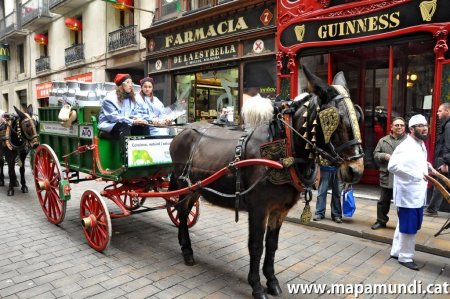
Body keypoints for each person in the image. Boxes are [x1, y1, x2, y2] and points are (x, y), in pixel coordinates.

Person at [388, 114, 435, 271]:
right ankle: (406, 257)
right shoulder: (406, 146)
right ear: (411, 129)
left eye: (426, 125)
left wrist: (428, 167)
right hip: (408, 194)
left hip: (416, 193)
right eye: (420, 126)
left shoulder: (420, 144)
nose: (424, 128)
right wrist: (415, 176)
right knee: (410, 226)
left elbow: (416, 162)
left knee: (404, 223)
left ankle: (396, 251)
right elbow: (393, 166)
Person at [371, 117, 407, 230]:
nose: (399, 127)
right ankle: (381, 221)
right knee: (383, 201)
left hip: (402, 177)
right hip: (387, 175)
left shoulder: (409, 142)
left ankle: (403, 224)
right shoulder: (383, 140)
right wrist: (384, 156)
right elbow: (375, 154)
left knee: (403, 203)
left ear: (404, 127)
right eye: (397, 125)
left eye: (401, 125)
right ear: (391, 127)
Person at [98, 73, 148, 139]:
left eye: (131, 82)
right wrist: (132, 121)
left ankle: (143, 147)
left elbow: (135, 112)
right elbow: (114, 118)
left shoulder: (132, 97)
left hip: (127, 123)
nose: (130, 85)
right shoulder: (109, 98)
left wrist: (138, 119)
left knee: (143, 126)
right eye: (128, 82)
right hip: (109, 124)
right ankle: (125, 149)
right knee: (124, 127)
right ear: (121, 85)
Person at [425, 103, 450, 216]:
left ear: (448, 111)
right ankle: (431, 209)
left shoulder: (448, 125)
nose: (437, 113)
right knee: (440, 186)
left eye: (440, 111)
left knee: (439, 185)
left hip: (444, 161)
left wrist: (445, 163)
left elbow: (448, 145)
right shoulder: (446, 124)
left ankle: (431, 210)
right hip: (445, 160)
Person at [313, 156, 343, 223]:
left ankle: (336, 215)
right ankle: (319, 213)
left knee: (337, 193)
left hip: (338, 169)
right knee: (321, 192)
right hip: (324, 168)